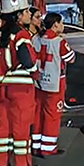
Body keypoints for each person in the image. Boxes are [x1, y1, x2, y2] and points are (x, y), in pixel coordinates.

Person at [0, 0, 38, 166]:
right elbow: (27, 60)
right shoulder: (21, 35)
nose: (28, 14)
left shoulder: (0, 33)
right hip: (21, 89)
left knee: (3, 128)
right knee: (21, 128)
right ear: (18, 14)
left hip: (2, 87)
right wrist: (35, 71)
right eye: (26, 11)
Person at [32, 13, 75, 157]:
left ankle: (36, 145)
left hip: (39, 82)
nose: (62, 26)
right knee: (52, 116)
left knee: (38, 114)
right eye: (61, 23)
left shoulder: (36, 39)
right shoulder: (59, 41)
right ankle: (48, 148)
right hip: (55, 83)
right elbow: (71, 58)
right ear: (55, 24)